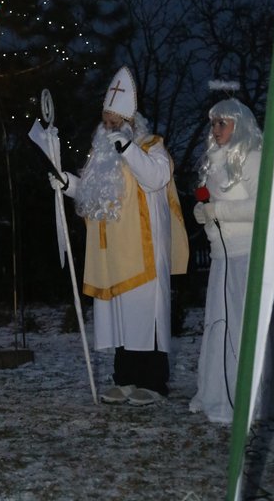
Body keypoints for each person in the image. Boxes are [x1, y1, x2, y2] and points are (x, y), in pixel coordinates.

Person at [51, 66, 189, 406]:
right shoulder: (101, 158)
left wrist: (127, 147)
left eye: (115, 120)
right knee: (121, 318)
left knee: (145, 314)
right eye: (106, 120)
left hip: (142, 251)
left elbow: (156, 177)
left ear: (130, 121)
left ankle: (153, 382)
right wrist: (68, 184)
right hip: (113, 254)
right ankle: (125, 378)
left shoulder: (151, 147)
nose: (108, 126)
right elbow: (92, 193)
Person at [190, 97, 274, 424]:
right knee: (221, 327)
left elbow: (262, 207)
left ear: (239, 124)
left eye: (223, 123)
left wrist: (218, 211)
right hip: (222, 257)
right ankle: (219, 393)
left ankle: (251, 400)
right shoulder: (214, 160)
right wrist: (203, 213)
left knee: (244, 329)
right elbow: (211, 201)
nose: (216, 129)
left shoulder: (253, 157)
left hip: (248, 258)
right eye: (213, 123)